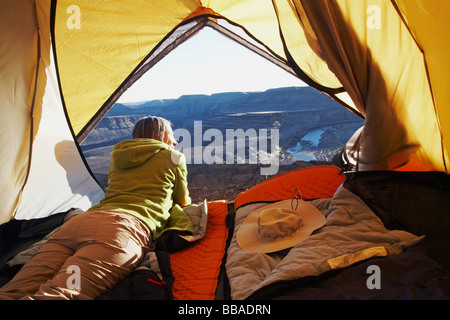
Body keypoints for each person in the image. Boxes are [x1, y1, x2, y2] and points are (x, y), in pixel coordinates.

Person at [0, 116, 191, 300]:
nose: (174, 142)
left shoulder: (117, 155)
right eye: (171, 136)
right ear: (161, 136)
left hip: (75, 226)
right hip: (119, 231)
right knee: (62, 294)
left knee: (12, 291)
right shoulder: (173, 156)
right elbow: (183, 201)